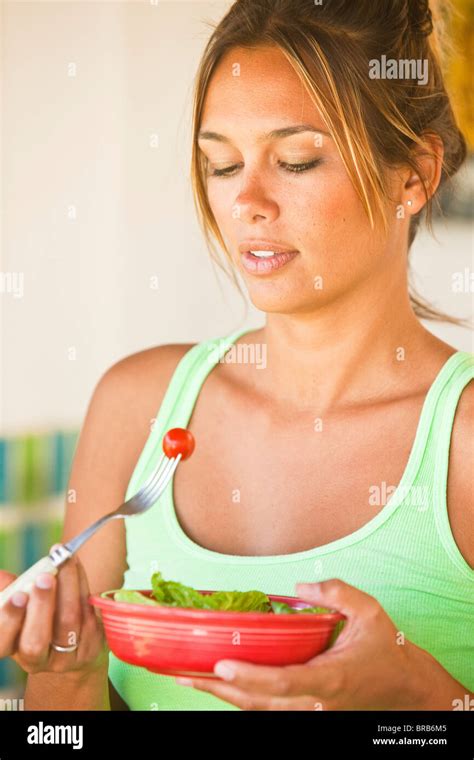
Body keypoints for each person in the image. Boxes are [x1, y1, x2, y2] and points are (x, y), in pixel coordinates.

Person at [1, 0, 472, 711]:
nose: (247, 201)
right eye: (221, 164)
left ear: (413, 175)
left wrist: (423, 698)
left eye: (296, 160)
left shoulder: (463, 441)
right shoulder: (136, 408)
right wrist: (66, 674)